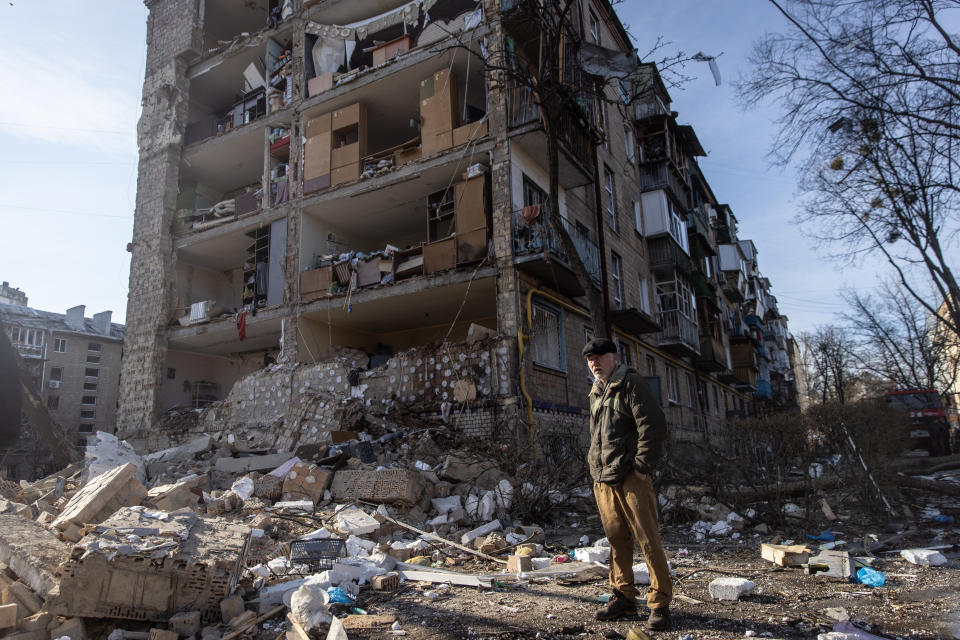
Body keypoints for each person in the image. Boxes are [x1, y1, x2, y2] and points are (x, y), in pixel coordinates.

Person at [582, 338, 672, 629]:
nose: (594, 363)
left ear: (614, 357)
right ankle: (624, 598)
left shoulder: (631, 383)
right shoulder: (596, 391)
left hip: (630, 477)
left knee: (647, 538)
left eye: (600, 357)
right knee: (616, 540)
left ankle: (659, 604)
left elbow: (653, 425)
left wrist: (643, 467)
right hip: (603, 478)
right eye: (590, 359)